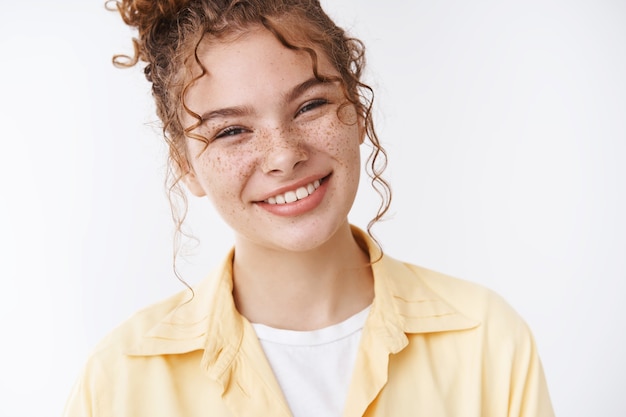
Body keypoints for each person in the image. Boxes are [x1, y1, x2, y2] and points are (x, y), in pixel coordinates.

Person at [63, 0, 555, 416]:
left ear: (357, 110)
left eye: (310, 106)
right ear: (185, 165)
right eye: (231, 130)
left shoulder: (486, 338)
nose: (283, 155)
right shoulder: (119, 381)